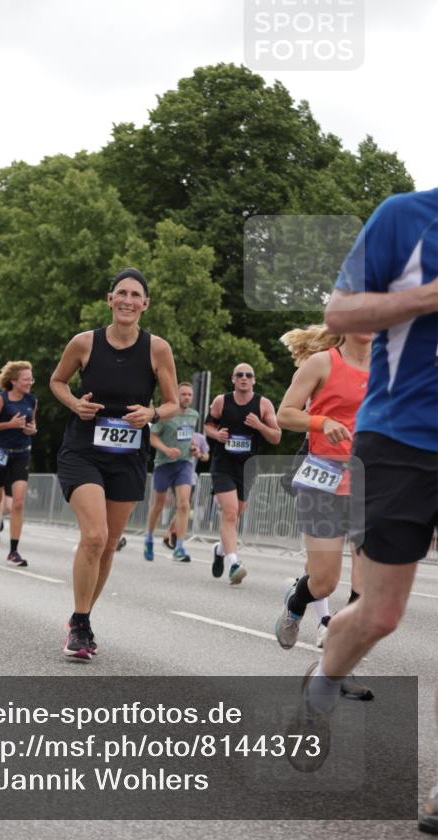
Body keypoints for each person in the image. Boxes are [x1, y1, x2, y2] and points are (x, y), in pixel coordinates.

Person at [287, 189, 437, 834]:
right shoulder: (405, 218)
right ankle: (321, 682)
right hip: (401, 440)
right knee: (380, 613)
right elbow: (340, 309)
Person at [50, 268, 179, 661]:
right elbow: (57, 382)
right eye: (120, 293)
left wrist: (152, 413)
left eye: (135, 295)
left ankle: (82, 617)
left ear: (145, 304)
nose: (127, 300)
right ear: (109, 300)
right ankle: (81, 622)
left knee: (107, 544)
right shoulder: (84, 343)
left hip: (129, 455)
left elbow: (173, 402)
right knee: (94, 535)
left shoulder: (157, 349)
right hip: (83, 450)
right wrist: (75, 404)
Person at [274, 324, 374, 701]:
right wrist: (321, 421)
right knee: (325, 582)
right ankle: (298, 600)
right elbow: (285, 414)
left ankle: (339, 669)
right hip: (323, 479)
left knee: (366, 588)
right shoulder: (321, 363)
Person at [205, 363, 281, 584]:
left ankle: (220, 551)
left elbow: (276, 437)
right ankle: (234, 564)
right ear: (233, 379)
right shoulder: (222, 401)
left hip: (247, 467)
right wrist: (216, 434)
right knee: (229, 513)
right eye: (240, 375)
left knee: (236, 513)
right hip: (223, 464)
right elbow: (208, 426)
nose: (244, 378)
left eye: (249, 375)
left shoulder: (263, 404)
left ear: (254, 380)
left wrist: (259, 426)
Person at [0, 362, 37, 567]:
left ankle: (13, 551)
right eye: (26, 379)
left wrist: (31, 430)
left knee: (18, 502)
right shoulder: (1, 399)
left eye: (31, 378)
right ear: (14, 381)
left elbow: (33, 426)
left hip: (21, 454)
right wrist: (9, 425)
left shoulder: (32, 399)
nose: (30, 382)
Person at [144, 381, 201, 562]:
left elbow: (188, 435)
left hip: (184, 463)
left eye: (189, 395)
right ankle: (149, 537)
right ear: (177, 395)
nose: (187, 397)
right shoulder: (166, 413)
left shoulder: (194, 415)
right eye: (183, 394)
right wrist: (166, 449)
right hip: (164, 463)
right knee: (159, 504)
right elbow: (152, 436)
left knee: (184, 504)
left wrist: (193, 448)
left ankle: (179, 546)